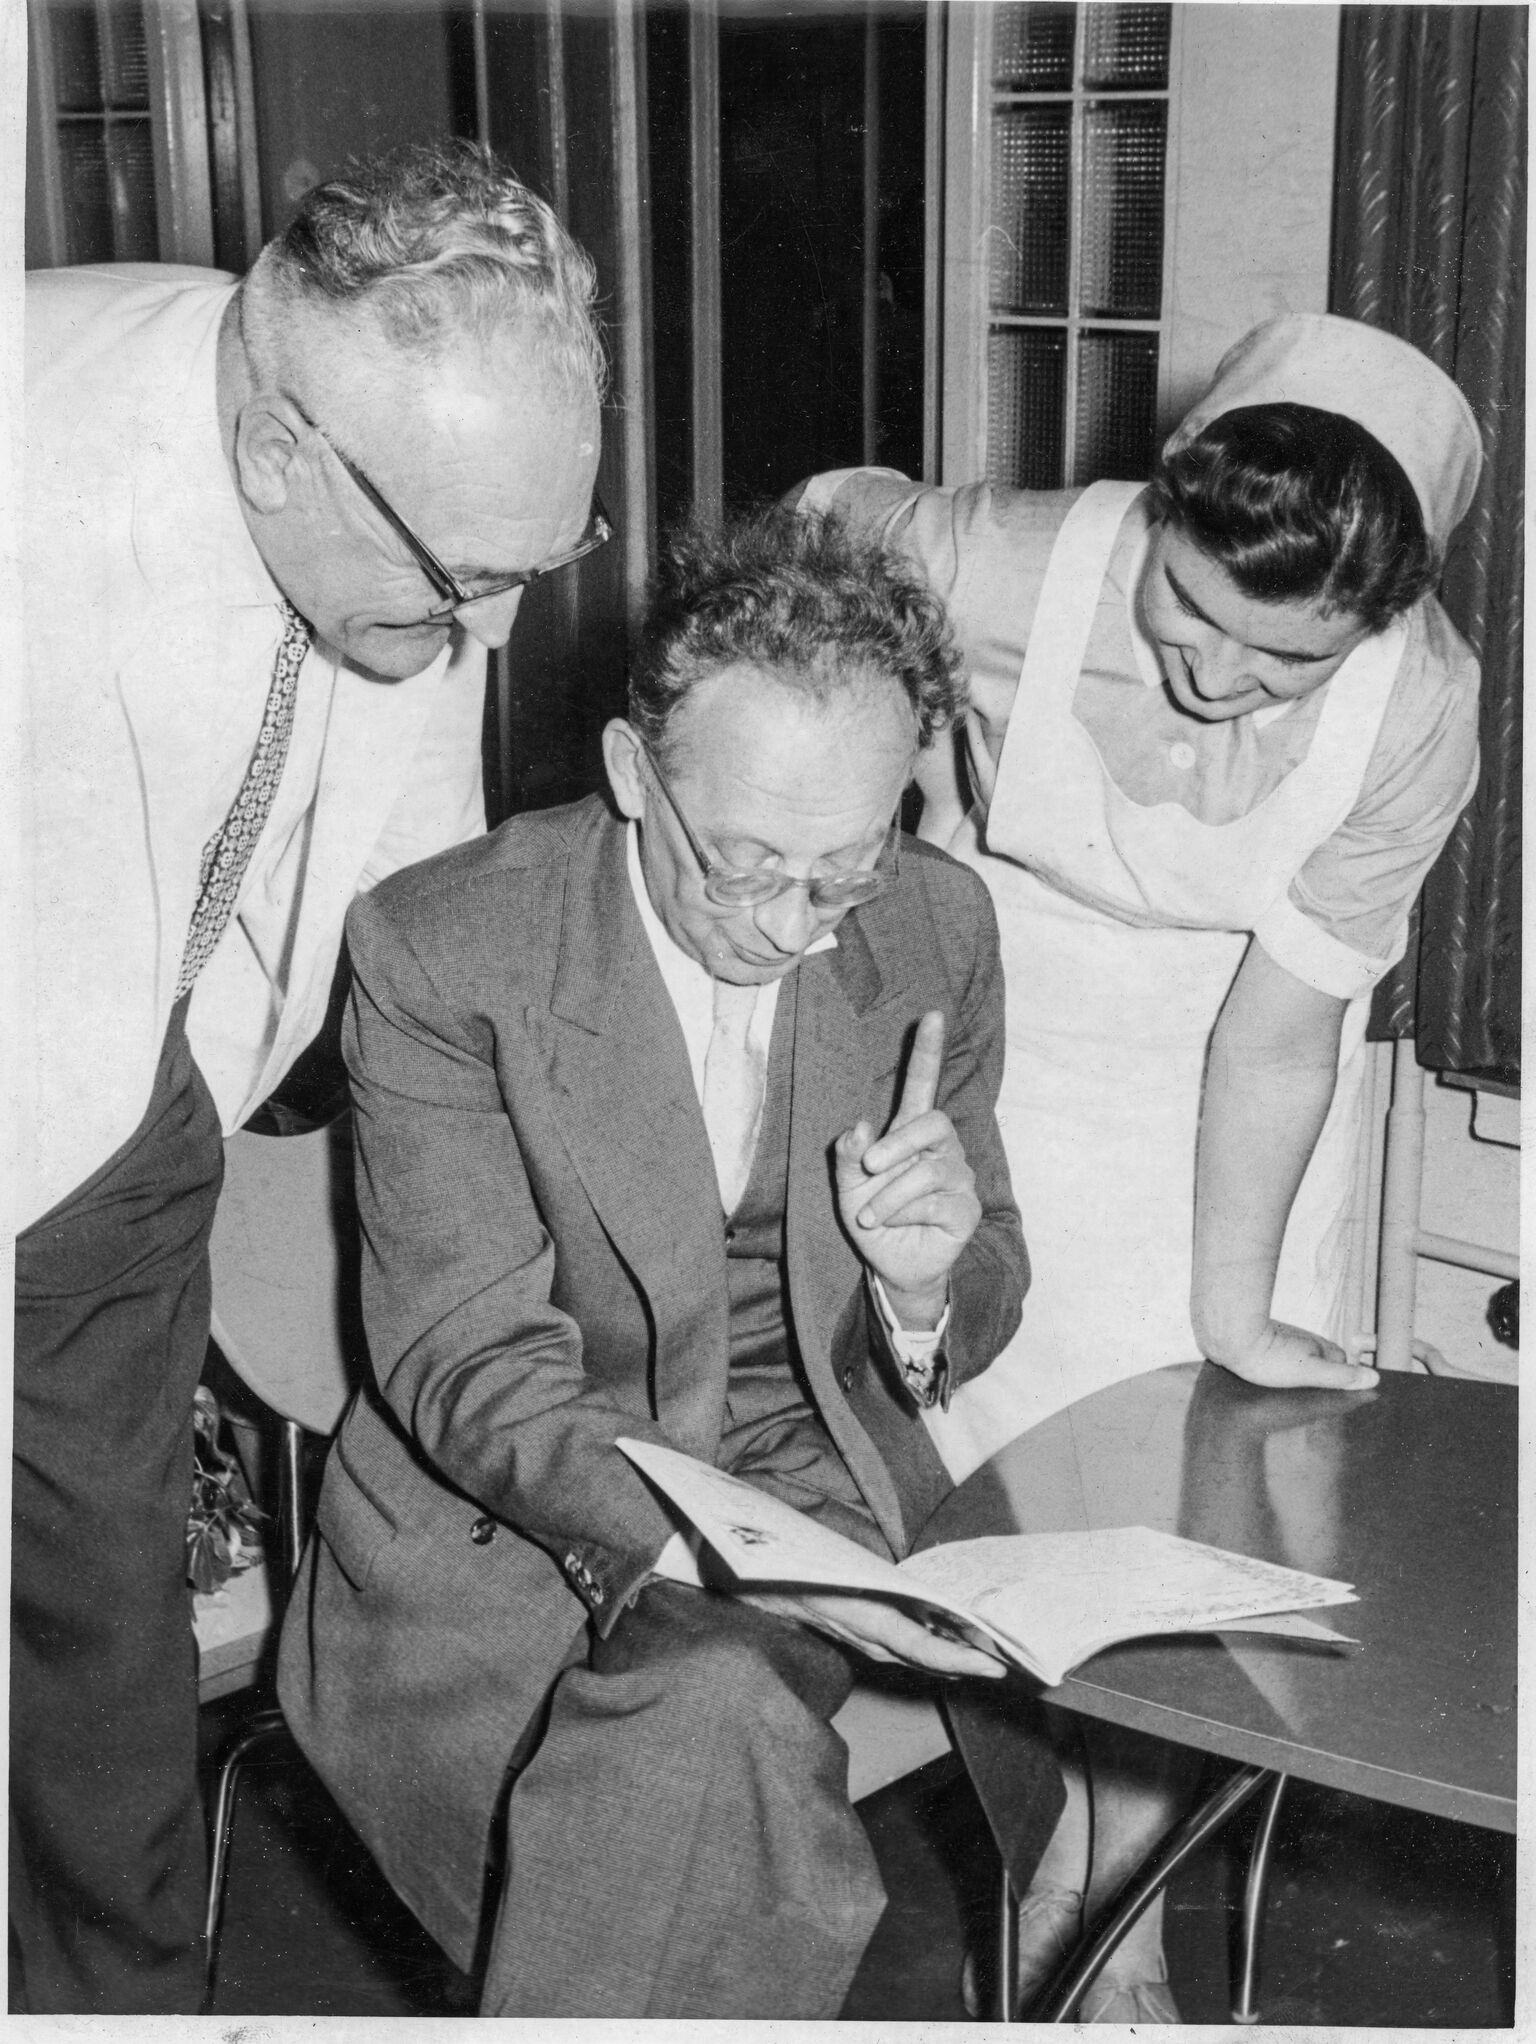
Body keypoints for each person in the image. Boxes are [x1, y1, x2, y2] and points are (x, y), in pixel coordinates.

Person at [798, 313, 1484, 2019]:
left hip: (1230, 1106)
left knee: (1187, 1534)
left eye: (1285, 661)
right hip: (985, 1044)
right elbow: (805, 547)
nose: (1216, 678)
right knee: (998, 1524)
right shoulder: (994, 559)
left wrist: (1231, 1313)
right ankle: (1067, 1898)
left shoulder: (1422, 709)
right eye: (1190, 610)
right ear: (1162, 511)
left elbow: (1279, 1035)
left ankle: (1104, 1936)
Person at [276, 509, 1038, 2019]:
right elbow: (471, 1363)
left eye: (849, 864)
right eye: (746, 866)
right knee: (713, 1710)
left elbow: (989, 1261)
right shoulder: (450, 947)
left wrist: (920, 1285)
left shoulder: (937, 922)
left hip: (815, 1471)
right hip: (520, 1499)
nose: (799, 927)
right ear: (634, 774)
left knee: (701, 1729)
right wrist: (727, 1558)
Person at [13, 141, 605, 2013]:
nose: (492, 635)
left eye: (533, 570)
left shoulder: (402, 508)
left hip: (122, 1119)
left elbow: (402, 891)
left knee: (92, 1662)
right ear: (277, 453)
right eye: (465, 581)